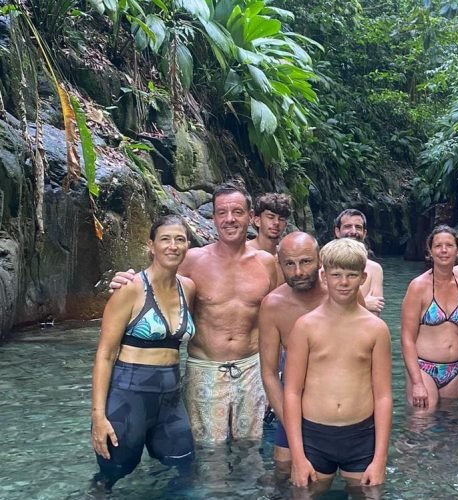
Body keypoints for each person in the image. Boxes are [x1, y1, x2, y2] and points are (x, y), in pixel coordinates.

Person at [111, 182, 278, 443]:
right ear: (213, 218)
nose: (229, 219)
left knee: (251, 450)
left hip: (251, 369)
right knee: (208, 453)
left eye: (237, 212)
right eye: (221, 213)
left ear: (250, 217)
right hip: (205, 369)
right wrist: (126, 280)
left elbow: (276, 322)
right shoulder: (192, 260)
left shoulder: (267, 264)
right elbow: (154, 286)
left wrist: (273, 380)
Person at [91, 216, 196, 489]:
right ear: (151, 246)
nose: (173, 246)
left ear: (188, 245)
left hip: (171, 400)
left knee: (184, 468)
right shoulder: (130, 289)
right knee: (111, 475)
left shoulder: (189, 288)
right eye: (165, 239)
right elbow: (104, 355)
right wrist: (98, 416)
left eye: (180, 239)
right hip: (129, 397)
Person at [283, 238, 392, 493]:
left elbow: (384, 395)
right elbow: (292, 391)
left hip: (361, 435)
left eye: (351, 275)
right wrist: (297, 457)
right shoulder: (305, 326)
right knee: (306, 494)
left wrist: (380, 459)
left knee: (369, 494)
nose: (344, 282)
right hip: (314, 435)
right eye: (337, 275)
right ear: (324, 276)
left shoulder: (376, 329)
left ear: (363, 278)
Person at [259, 232, 327, 466]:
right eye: (289, 264)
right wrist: (290, 425)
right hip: (293, 406)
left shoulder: (341, 295)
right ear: (279, 264)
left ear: (319, 260)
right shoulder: (273, 305)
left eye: (305, 262)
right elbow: (268, 374)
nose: (298, 272)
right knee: (284, 475)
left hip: (338, 404)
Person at [401, 225, 458, 411]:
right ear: (430, 251)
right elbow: (407, 339)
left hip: (457, 369)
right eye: (438, 246)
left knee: (451, 428)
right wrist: (417, 382)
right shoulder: (418, 287)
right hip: (424, 368)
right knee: (422, 425)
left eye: (449, 245)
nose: (443, 250)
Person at [334, 208, 385, 315]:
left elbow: (375, 312)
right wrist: (364, 304)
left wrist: (344, 304)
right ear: (337, 232)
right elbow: (322, 308)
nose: (353, 231)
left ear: (364, 233)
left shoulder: (374, 269)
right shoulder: (325, 265)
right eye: (347, 226)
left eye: (358, 227)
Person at [248, 192, 291, 287]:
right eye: (270, 217)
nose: (276, 222)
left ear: (285, 225)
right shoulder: (243, 252)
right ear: (257, 221)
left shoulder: (286, 257)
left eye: (281, 219)